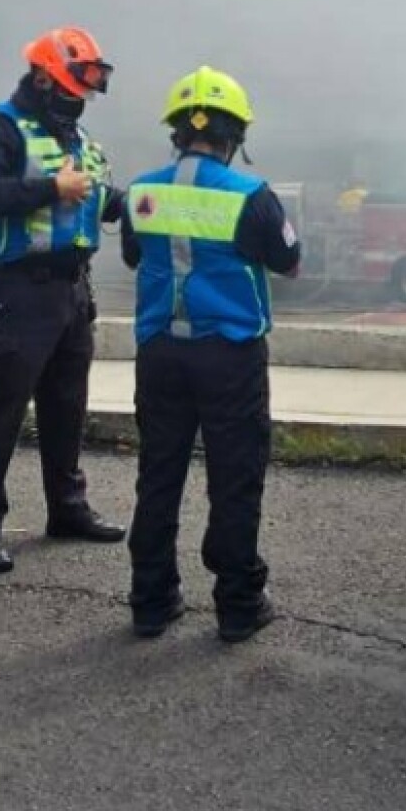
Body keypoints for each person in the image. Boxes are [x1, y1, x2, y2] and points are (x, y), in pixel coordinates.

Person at [119, 66, 302, 642]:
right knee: (234, 477)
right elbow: (287, 263)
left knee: (158, 474)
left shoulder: (142, 193)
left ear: (177, 131)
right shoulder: (253, 195)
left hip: (159, 354)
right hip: (230, 356)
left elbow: (132, 258)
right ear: (235, 136)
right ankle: (238, 604)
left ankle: (151, 600)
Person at [0, 25, 127, 574]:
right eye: (74, 86)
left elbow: (104, 203)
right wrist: (52, 189)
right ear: (43, 78)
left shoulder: (75, 141)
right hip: (18, 290)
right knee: (3, 413)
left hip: (72, 289)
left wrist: (156, 199)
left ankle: (68, 509)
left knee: (67, 408)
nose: (82, 99)